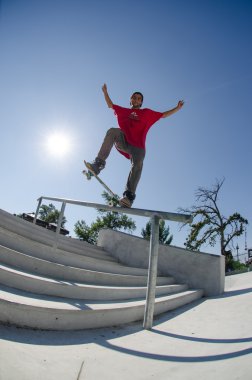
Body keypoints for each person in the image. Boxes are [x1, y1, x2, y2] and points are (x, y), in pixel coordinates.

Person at [86, 83, 184, 208]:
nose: (136, 100)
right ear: (130, 100)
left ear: (141, 102)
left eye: (139, 98)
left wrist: (177, 108)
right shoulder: (124, 111)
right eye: (134, 97)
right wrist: (105, 92)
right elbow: (110, 105)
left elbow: (163, 115)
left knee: (137, 164)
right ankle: (98, 164)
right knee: (112, 131)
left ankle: (129, 196)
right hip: (124, 142)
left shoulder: (147, 113)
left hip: (138, 147)